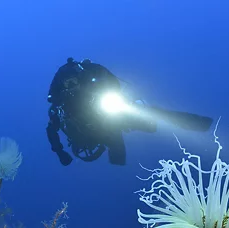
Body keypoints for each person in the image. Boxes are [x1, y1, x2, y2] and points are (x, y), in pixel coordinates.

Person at [46, 57, 214, 166]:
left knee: (150, 117)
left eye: (74, 82)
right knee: (115, 154)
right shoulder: (62, 105)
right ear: (61, 87)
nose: (72, 87)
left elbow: (112, 86)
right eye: (67, 84)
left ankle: (195, 122)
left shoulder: (92, 87)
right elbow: (51, 129)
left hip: (111, 118)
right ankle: (117, 178)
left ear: (80, 80)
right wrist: (60, 152)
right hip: (89, 136)